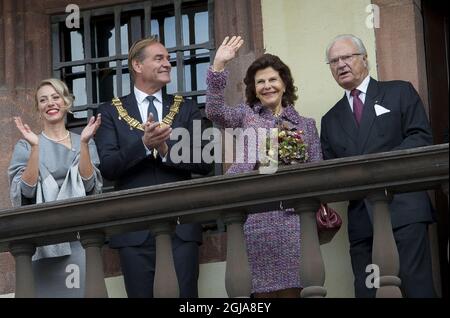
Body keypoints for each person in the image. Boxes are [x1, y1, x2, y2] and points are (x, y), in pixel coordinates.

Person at [94, 37, 212, 298]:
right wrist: (144, 144)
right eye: (159, 58)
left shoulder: (187, 107)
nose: (167, 64)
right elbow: (110, 168)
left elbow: (205, 161)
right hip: (133, 230)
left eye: (168, 59)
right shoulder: (110, 112)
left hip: (181, 226)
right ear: (137, 65)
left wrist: (166, 150)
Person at [206, 36, 323, 298]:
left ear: (284, 84)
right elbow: (214, 111)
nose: (267, 86)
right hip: (254, 220)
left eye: (273, 79)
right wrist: (218, 67)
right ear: (254, 88)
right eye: (260, 82)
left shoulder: (306, 125)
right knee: (260, 295)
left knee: (296, 291)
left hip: (294, 221)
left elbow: (318, 173)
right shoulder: (246, 115)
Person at [320, 34, 436, 298]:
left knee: (416, 289)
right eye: (334, 61)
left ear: (364, 58)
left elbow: (421, 138)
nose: (341, 65)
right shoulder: (330, 119)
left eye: (347, 57)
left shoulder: (399, 91)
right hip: (363, 221)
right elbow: (331, 171)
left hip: (404, 209)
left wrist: (377, 166)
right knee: (367, 292)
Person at [8, 78, 103, 297]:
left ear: (66, 102)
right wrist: (34, 148)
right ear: (38, 109)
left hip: (79, 239)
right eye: (43, 100)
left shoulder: (84, 140)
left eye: (55, 97)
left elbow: (91, 186)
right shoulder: (25, 145)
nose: (50, 103)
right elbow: (25, 192)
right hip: (42, 243)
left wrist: (85, 145)